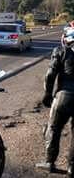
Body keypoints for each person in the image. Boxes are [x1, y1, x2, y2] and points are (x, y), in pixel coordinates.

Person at [36, 27, 74, 176]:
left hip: (64, 96)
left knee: (53, 128)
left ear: (66, 38)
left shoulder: (61, 51)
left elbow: (50, 75)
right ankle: (72, 168)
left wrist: (47, 95)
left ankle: (49, 162)